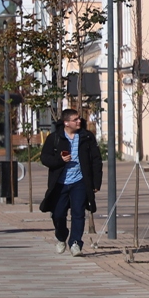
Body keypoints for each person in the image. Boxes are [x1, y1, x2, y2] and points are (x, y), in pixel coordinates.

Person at [40, 108, 102, 256]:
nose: (79, 121)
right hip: (60, 183)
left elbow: (96, 160)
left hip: (79, 182)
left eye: (79, 118)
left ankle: (75, 243)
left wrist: (95, 183)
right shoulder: (55, 138)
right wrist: (59, 161)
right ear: (66, 122)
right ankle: (61, 236)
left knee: (78, 213)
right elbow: (45, 158)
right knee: (58, 214)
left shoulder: (86, 137)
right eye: (75, 119)